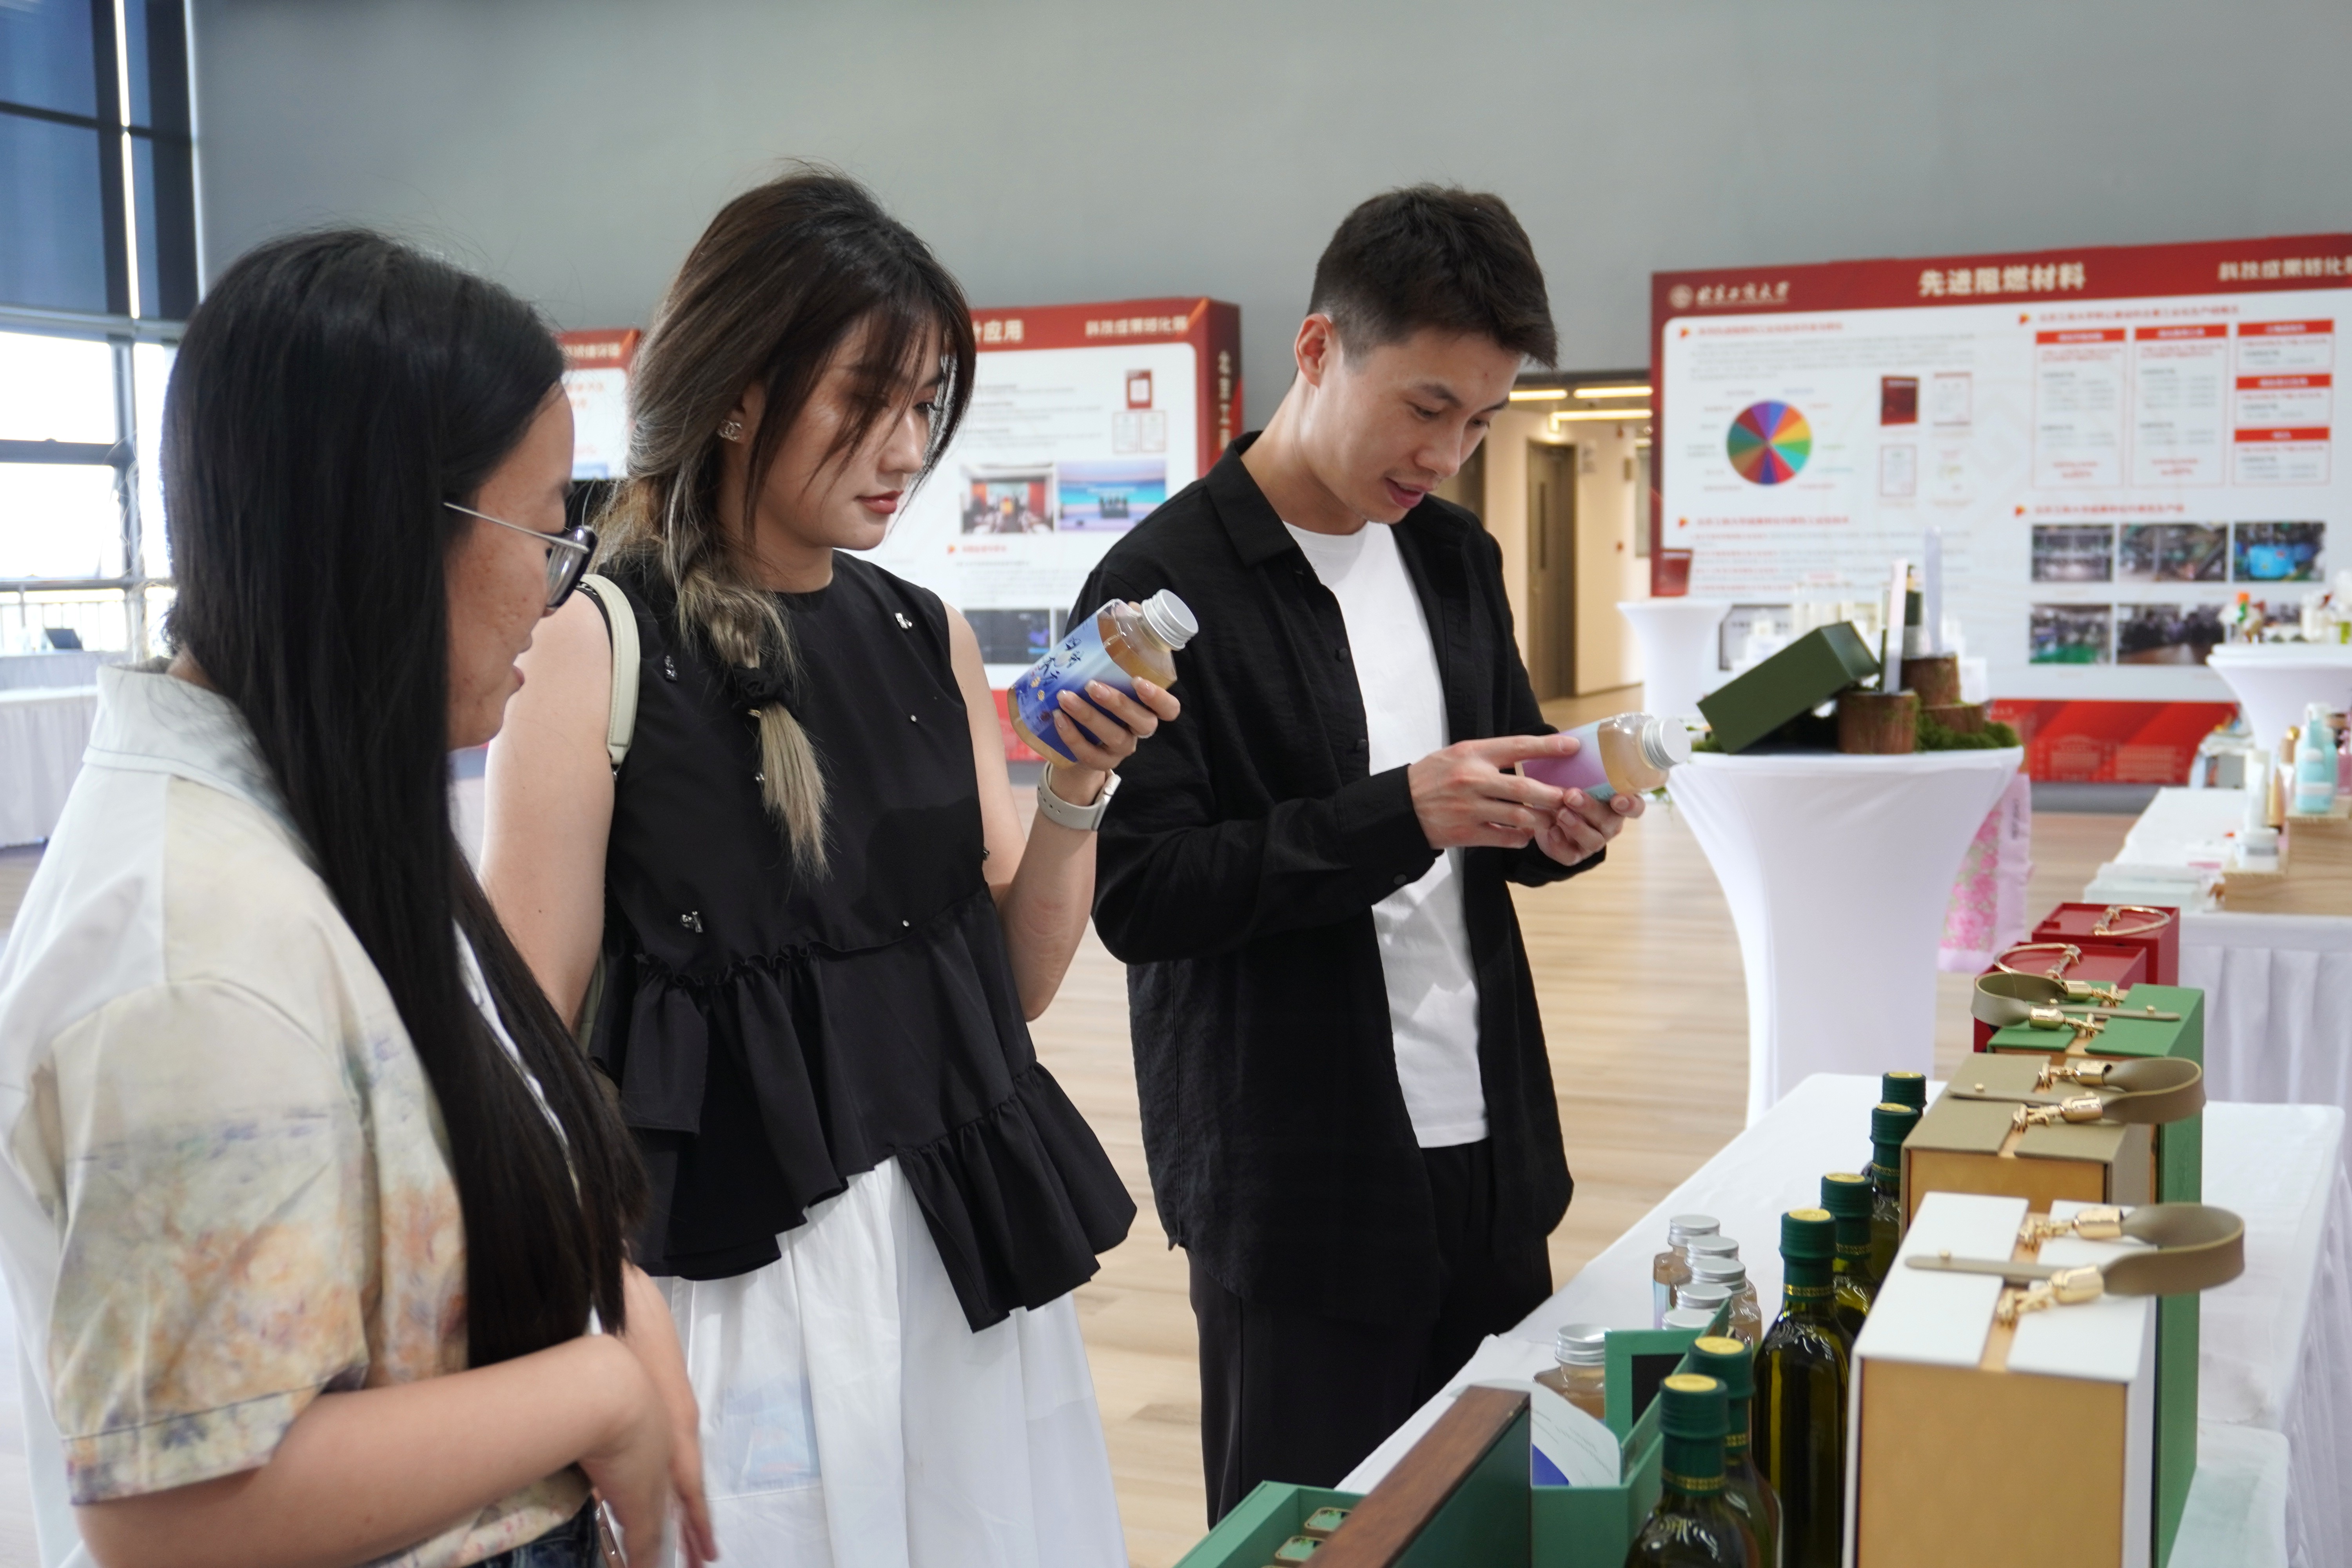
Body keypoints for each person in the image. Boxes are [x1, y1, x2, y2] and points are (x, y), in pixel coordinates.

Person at [481, 171, 1171, 1567]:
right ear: (740, 391)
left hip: (962, 1248)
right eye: (869, 399)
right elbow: (525, 1047)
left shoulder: (926, 633)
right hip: (744, 1275)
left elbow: (1015, 989)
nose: (906, 447)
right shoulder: (593, 646)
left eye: (927, 405)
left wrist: (1075, 790)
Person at [0, 231, 712, 1568]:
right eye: (543, 532)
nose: (555, 591)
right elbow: (178, 1511)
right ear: (386, 537)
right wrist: (596, 1390)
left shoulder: (322, 817)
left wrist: (603, 1296)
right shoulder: (194, 954)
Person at [1070, 184, 1645, 1518]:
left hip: (1490, 1146)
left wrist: (1562, 825)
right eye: (1427, 407)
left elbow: (1497, 806)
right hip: (1298, 1175)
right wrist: (1405, 812)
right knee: (1313, 1532)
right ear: (1318, 349)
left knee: (1495, 1518)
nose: (1447, 453)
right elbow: (1142, 896)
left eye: (1482, 420)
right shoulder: (1157, 589)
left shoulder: (1452, 558)